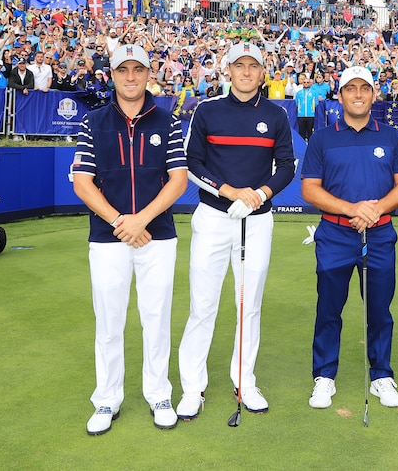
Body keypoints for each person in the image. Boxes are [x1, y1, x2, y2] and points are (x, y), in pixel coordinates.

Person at [71, 44, 188, 436]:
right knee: (109, 322)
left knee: (156, 319)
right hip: (108, 236)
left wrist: (142, 220)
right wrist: (122, 221)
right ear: (114, 74)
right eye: (125, 70)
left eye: (139, 69)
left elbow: (178, 181)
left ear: (149, 73)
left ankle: (158, 393)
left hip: (157, 235)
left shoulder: (168, 121)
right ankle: (107, 398)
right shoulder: (94, 121)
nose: (132, 76)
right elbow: (83, 182)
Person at [178, 42, 296, 419]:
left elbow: (286, 167)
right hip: (213, 217)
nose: (246, 72)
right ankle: (192, 388)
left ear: (263, 73)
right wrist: (230, 192)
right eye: (239, 66)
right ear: (227, 69)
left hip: (257, 220)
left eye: (253, 67)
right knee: (202, 306)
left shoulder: (276, 115)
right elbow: (191, 163)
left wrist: (259, 195)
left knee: (249, 305)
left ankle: (244, 381)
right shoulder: (207, 111)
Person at [300, 66, 398, 410]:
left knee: (379, 310)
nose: (359, 94)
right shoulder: (322, 138)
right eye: (351, 89)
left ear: (374, 95)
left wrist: (372, 211)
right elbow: (310, 190)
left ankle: (381, 375)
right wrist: (354, 209)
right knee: (329, 309)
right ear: (340, 96)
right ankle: (324, 376)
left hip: (379, 235)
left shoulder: (392, 136)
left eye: (365, 88)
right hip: (334, 234)